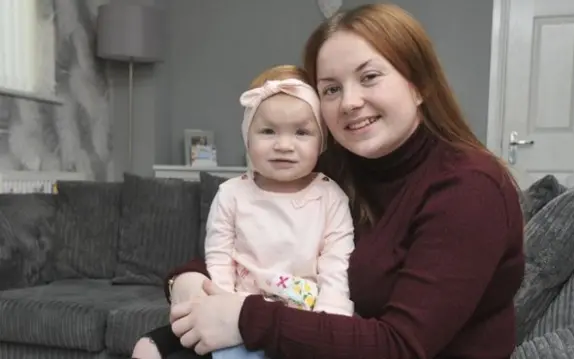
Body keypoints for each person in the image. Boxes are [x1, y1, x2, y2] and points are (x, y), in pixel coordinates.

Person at [135, 3, 525, 359]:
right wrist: (186, 279)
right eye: (331, 89)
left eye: (369, 77)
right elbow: (257, 249)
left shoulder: (470, 189)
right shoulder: (339, 168)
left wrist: (244, 317)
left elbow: (402, 346)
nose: (349, 102)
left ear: (418, 84)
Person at [132, 65, 355, 359]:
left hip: (302, 320)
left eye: (301, 132)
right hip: (235, 310)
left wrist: (332, 323)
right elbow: (219, 256)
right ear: (247, 137)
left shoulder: (330, 197)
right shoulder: (231, 194)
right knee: (147, 349)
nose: (284, 145)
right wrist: (219, 306)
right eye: (267, 131)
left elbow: (336, 266)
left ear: (321, 141)